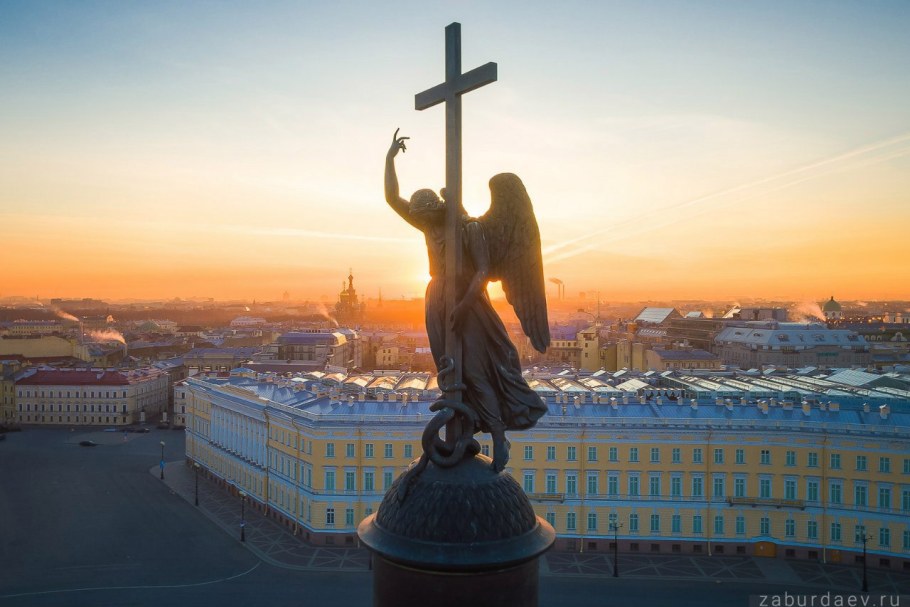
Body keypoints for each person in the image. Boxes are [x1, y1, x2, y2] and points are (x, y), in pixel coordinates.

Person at [385, 130, 547, 471]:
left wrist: (462, 305)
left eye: (426, 217)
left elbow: (483, 272)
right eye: (420, 219)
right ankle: (457, 426)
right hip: (436, 299)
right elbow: (391, 198)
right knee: (447, 368)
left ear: (436, 209)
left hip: (469, 303)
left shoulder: (471, 228)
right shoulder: (428, 223)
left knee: (474, 371)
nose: (422, 224)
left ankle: (499, 436)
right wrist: (390, 159)